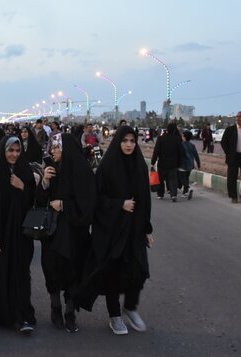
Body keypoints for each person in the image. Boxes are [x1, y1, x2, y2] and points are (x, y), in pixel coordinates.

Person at [75, 126, 153, 335]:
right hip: (112, 230)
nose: (129, 144)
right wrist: (120, 204)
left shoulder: (139, 166)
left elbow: (145, 200)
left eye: (132, 141)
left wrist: (146, 228)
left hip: (134, 229)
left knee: (138, 271)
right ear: (118, 141)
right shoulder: (108, 166)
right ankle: (115, 316)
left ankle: (130, 306)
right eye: (125, 140)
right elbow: (97, 198)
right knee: (113, 273)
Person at [40, 133, 96, 333]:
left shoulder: (83, 172)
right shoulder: (52, 170)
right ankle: (55, 307)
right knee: (52, 269)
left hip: (75, 231)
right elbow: (40, 200)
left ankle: (70, 312)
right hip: (53, 231)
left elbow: (89, 204)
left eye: (56, 148)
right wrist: (45, 182)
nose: (52, 151)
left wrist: (65, 205)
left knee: (74, 271)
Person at [0, 136, 37, 333]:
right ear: (3, 151)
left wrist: (22, 187)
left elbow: (34, 202)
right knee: (1, 271)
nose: (14, 154)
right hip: (1, 232)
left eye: (17, 150)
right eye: (10, 150)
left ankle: (22, 316)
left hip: (21, 234)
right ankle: (2, 313)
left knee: (21, 272)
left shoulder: (25, 172)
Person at [221, 112, 241, 203]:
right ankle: (233, 196)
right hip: (233, 157)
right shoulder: (230, 130)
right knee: (232, 177)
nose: (238, 118)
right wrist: (228, 153)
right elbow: (223, 142)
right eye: (237, 116)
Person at [150, 123, 182, 202]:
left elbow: (156, 151)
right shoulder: (177, 139)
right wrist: (179, 163)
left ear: (167, 129)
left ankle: (160, 194)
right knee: (173, 179)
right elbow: (180, 152)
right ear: (175, 130)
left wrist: (153, 161)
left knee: (161, 179)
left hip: (162, 163)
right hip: (173, 163)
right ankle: (173, 195)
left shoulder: (161, 138)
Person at [179, 131, 201, 199]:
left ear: (184, 137)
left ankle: (188, 188)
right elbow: (196, 155)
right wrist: (198, 164)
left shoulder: (181, 145)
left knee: (182, 178)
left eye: (182, 136)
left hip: (183, 164)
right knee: (186, 178)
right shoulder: (192, 145)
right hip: (190, 164)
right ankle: (185, 192)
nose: (182, 137)